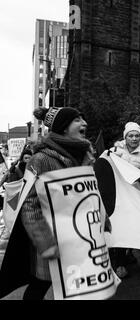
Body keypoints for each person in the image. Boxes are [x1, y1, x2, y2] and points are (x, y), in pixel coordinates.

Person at [4, 106, 95, 300]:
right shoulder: (40, 160)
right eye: (77, 120)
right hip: (52, 240)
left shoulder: (85, 157)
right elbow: (28, 206)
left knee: (75, 286)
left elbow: (89, 195)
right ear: (63, 127)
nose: (84, 123)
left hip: (78, 237)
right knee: (40, 286)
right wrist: (45, 242)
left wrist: (100, 220)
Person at [109, 122, 140, 279]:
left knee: (133, 227)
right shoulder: (114, 152)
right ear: (125, 137)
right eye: (130, 135)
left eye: (137, 135)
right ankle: (120, 263)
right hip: (118, 196)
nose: (134, 138)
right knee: (120, 228)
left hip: (135, 195)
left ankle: (128, 253)